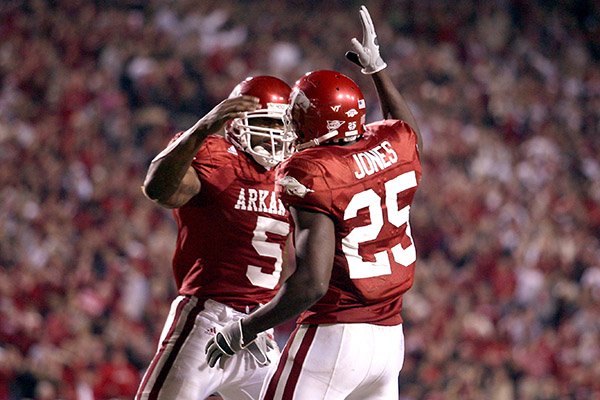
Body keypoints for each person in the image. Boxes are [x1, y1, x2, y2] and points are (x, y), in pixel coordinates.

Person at [205, 5, 423, 400]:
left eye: (297, 115)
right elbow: (404, 129)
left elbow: (312, 283)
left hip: (335, 338)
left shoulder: (313, 170)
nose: (290, 125)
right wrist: (379, 72)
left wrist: (244, 330)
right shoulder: (396, 143)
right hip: (390, 341)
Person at [137, 75, 296, 400]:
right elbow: (158, 189)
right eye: (266, 122)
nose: (275, 134)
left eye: (282, 125)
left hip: (259, 329)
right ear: (235, 123)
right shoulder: (217, 156)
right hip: (208, 318)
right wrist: (201, 130)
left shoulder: (293, 173)